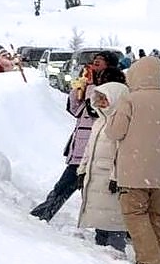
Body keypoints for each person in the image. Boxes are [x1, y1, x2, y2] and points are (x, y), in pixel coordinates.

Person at [106, 54, 160, 264]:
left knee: (135, 214)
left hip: (133, 171)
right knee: (156, 215)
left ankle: (150, 261)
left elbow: (115, 132)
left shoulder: (130, 101)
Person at [30, 52, 119, 221]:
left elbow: (96, 110)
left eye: (98, 63)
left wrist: (91, 86)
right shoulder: (90, 84)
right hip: (80, 144)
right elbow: (76, 110)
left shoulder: (111, 88)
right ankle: (43, 214)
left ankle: (42, 215)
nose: (93, 66)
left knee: (95, 192)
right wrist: (78, 88)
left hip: (95, 148)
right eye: (93, 62)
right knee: (67, 186)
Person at [77, 81, 131, 251]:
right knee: (100, 222)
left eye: (104, 99)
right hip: (95, 179)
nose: (100, 103)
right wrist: (82, 169)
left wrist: (116, 177)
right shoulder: (99, 122)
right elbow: (89, 149)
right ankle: (101, 257)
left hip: (111, 181)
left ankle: (116, 257)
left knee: (114, 222)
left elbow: (123, 153)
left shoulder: (121, 123)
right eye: (98, 99)